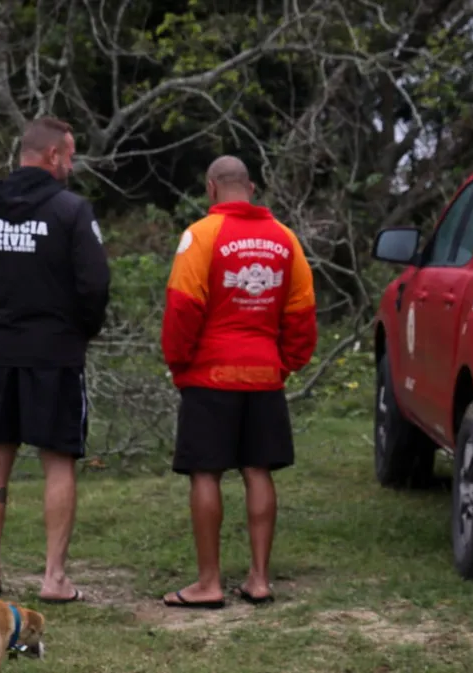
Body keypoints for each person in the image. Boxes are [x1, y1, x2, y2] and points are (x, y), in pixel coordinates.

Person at [0, 116, 110, 604]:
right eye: (71, 154)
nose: (73, 164)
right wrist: (80, 328)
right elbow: (95, 284)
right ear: (53, 156)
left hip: (2, 351)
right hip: (57, 355)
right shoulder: (71, 210)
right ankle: (54, 578)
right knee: (58, 460)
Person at [159, 155, 318, 608]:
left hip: (210, 375)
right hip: (264, 375)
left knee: (205, 471)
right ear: (251, 188)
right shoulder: (285, 239)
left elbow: (182, 309)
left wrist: (181, 365)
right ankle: (259, 578)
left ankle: (208, 583)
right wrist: (282, 364)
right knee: (258, 469)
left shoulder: (201, 236)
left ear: (211, 189)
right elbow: (302, 315)